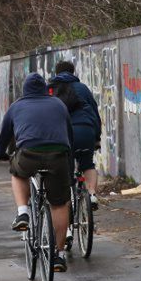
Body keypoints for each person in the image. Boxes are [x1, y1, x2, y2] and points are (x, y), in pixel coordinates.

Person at [0, 72, 73, 272]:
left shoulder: (16, 107)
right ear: (45, 89)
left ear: (25, 90)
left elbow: (2, 140)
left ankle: (23, 213)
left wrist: (0, 154)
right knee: (59, 204)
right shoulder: (58, 104)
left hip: (28, 154)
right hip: (58, 156)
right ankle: (59, 255)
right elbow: (69, 135)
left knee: (17, 172)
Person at [48, 60, 101, 210]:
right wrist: (96, 138)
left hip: (63, 135)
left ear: (56, 73)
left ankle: (67, 201)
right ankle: (91, 195)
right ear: (73, 72)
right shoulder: (82, 88)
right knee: (88, 164)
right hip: (85, 130)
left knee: (65, 168)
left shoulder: (50, 90)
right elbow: (94, 113)